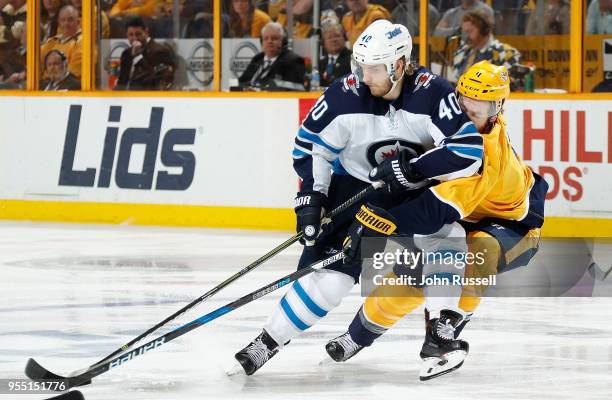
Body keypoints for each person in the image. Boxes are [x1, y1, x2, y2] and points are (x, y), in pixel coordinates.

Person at [231, 19, 486, 376]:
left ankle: (438, 334)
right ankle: (268, 340)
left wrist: (412, 170)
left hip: (412, 193)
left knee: (449, 238)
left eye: (374, 69)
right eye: (361, 66)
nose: (365, 77)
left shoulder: (433, 93)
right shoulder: (343, 95)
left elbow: (468, 152)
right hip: (354, 188)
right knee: (331, 276)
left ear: (399, 65)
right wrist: (312, 197)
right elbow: (310, 148)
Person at [325, 61, 548, 380]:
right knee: (410, 278)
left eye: (480, 105)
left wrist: (379, 220)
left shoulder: (484, 155)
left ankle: (443, 334)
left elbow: (433, 211)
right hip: (470, 215)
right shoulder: (453, 127)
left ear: (497, 107)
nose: (469, 111)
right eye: (464, 101)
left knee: (474, 255)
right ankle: (357, 336)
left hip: (516, 226)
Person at [451, 10, 520, 83]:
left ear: (484, 30)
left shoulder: (506, 53)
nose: (465, 37)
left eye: (469, 32)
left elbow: (511, 85)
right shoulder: (461, 51)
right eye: (464, 32)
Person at [238, 22, 305, 90]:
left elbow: (293, 89)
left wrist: (259, 90)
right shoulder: (257, 59)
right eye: (266, 38)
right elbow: (241, 82)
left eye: (274, 38)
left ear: (284, 42)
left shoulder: (293, 61)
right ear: (261, 42)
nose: (269, 41)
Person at [115, 16, 176, 90]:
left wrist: (138, 57)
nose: (135, 39)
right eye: (131, 35)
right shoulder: (126, 53)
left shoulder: (160, 51)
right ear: (127, 35)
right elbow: (122, 82)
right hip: (127, 99)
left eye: (138, 34)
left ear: (146, 32)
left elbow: (154, 80)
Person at [41, 4, 82, 78]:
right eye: (63, 20)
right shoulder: (52, 42)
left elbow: (71, 74)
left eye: (70, 20)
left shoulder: (83, 42)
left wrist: (44, 76)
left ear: (78, 22)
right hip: (46, 84)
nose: (66, 24)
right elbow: (37, 62)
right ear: (59, 23)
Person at [318, 23, 351, 87]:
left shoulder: (352, 59)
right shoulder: (321, 62)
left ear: (344, 38)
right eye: (329, 37)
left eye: (337, 36)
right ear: (323, 43)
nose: (334, 40)